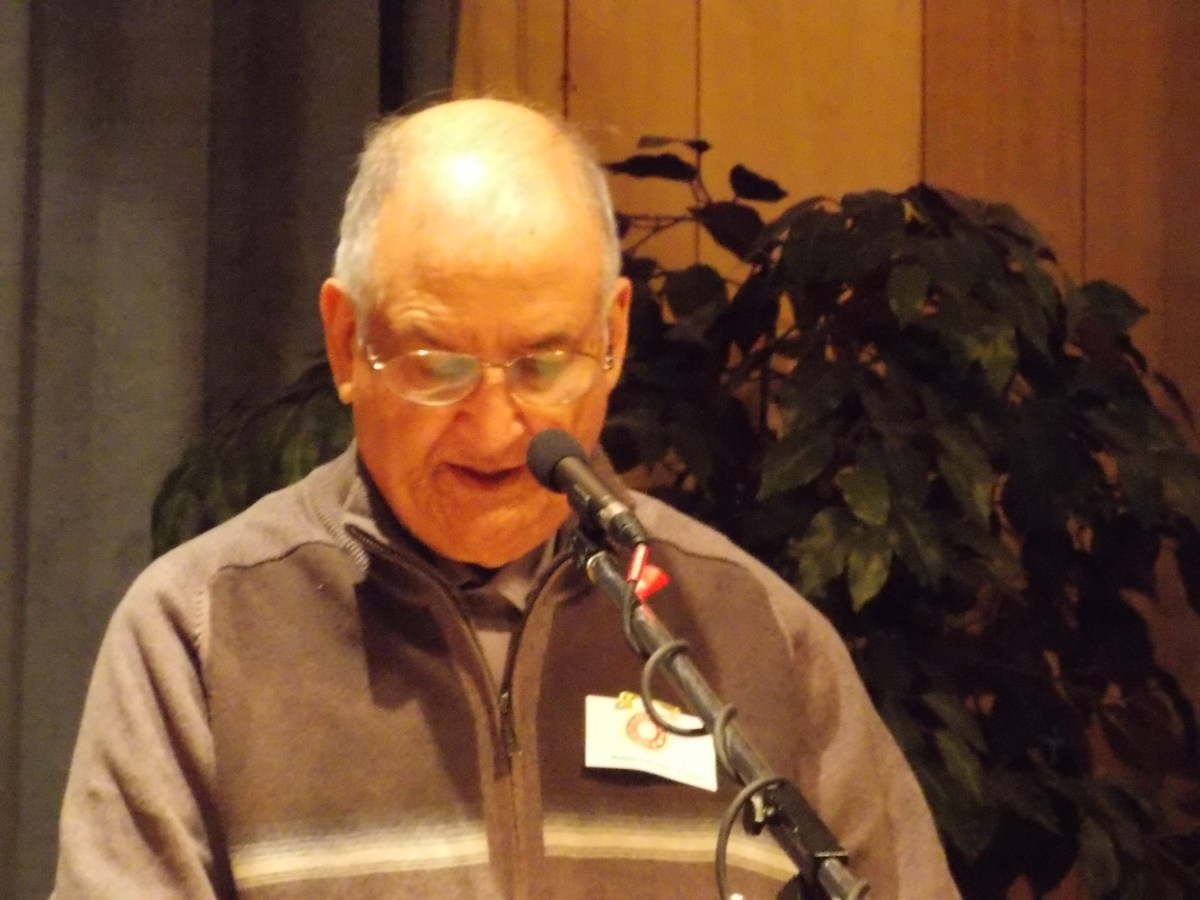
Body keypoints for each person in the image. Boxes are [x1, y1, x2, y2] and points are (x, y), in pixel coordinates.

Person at [53, 97, 959, 898]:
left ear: (612, 337)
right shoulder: (198, 634)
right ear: (345, 342)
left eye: (543, 362)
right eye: (436, 364)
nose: (494, 431)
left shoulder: (757, 634)